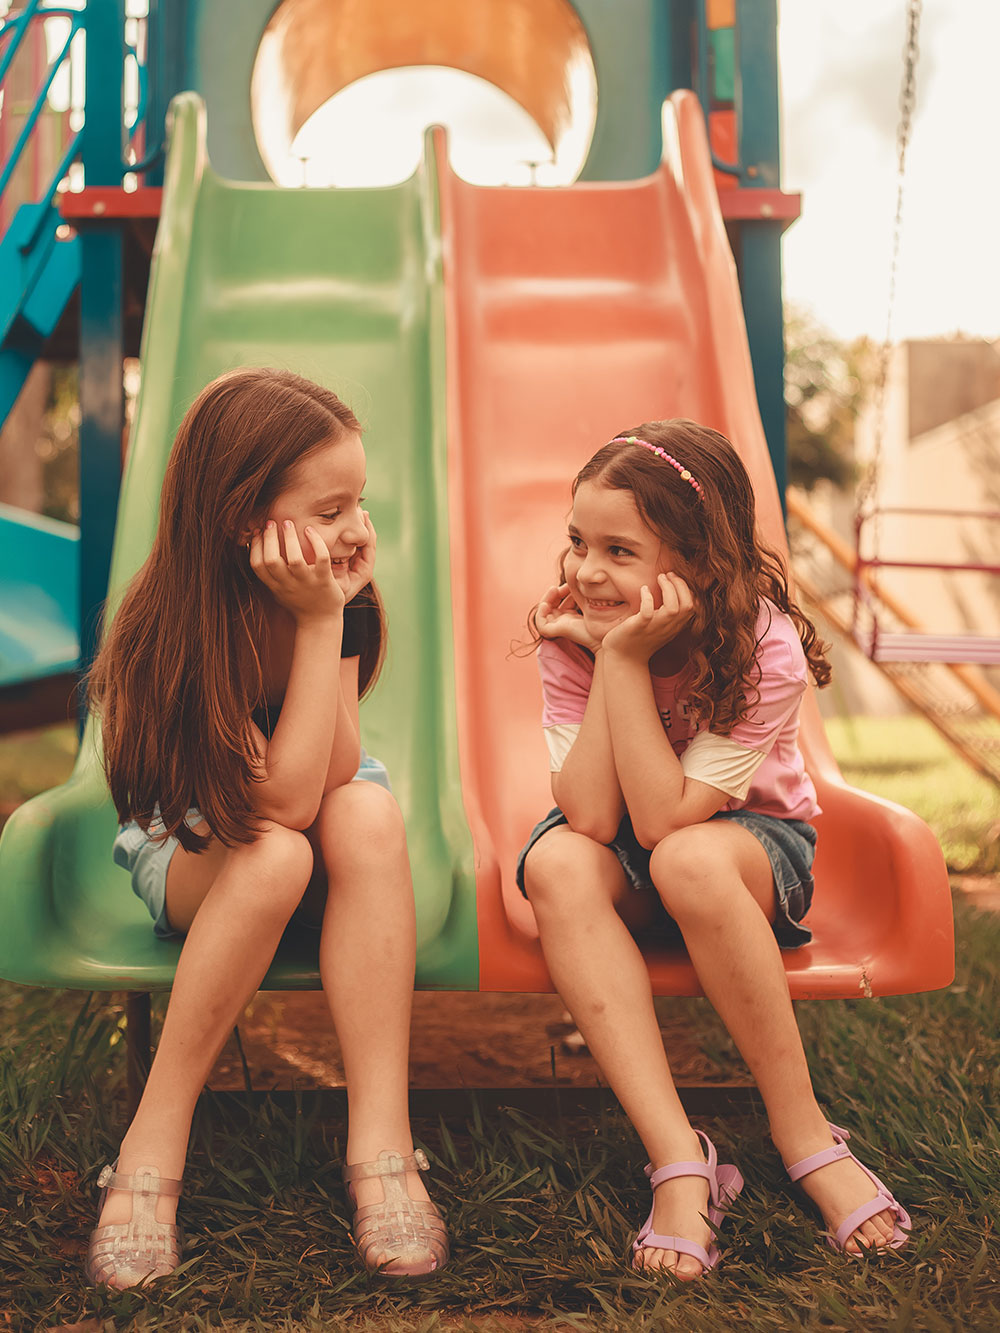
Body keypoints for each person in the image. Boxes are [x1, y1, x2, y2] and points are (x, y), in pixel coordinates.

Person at [518, 422, 910, 1280]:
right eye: (578, 541)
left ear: (698, 558)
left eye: (619, 549)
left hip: (749, 849)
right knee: (553, 863)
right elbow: (588, 814)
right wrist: (611, 660)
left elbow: (672, 823)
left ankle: (805, 1132)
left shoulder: (762, 646)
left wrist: (621, 660)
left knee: (688, 858)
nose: (586, 570)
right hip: (626, 839)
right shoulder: (577, 629)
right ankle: (679, 1156)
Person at [85, 368, 448, 1287]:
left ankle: (384, 1143)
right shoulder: (172, 630)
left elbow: (328, 774)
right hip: (195, 847)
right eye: (330, 510)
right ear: (247, 519)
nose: (358, 530)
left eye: (359, 500)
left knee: (365, 807)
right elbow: (275, 811)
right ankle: (149, 1149)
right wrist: (316, 613)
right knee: (281, 848)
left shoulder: (335, 603)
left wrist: (323, 619)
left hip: (300, 817)